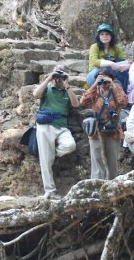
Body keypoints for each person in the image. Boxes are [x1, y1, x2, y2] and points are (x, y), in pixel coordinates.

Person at [33, 68, 79, 199]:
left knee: (70, 145)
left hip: (61, 127)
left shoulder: (67, 91)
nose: (58, 79)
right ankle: (50, 190)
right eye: (56, 77)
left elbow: (76, 104)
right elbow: (36, 95)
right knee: (45, 161)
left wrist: (67, 85)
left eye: (61, 76)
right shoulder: (47, 88)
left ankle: (51, 153)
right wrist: (49, 78)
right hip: (45, 126)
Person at [79, 68, 128, 179]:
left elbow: (124, 102)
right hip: (96, 130)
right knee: (97, 160)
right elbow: (83, 102)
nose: (103, 81)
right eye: (101, 77)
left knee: (112, 161)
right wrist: (95, 84)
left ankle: (111, 186)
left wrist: (113, 85)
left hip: (113, 130)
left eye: (106, 77)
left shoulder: (116, 90)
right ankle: (96, 185)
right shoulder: (95, 91)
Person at [86, 24, 129, 89]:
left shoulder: (116, 48)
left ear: (111, 36)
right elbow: (94, 61)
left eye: (107, 34)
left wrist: (126, 65)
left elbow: (123, 60)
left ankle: (126, 92)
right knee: (100, 71)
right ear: (98, 36)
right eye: (102, 34)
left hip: (112, 74)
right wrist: (111, 63)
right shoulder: (94, 47)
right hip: (95, 73)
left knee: (126, 73)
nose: (104, 36)